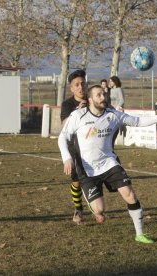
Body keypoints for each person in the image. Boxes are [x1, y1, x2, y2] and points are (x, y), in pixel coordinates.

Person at [58, 85, 157, 243]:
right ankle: (97, 211)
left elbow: (138, 121)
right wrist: (67, 158)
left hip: (109, 163)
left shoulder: (113, 115)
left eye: (104, 94)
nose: (103, 97)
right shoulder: (78, 115)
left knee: (130, 194)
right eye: (99, 95)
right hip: (87, 169)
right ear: (90, 99)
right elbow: (62, 137)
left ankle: (140, 234)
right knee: (100, 209)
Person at [60, 69, 88, 225]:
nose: (80, 87)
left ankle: (96, 205)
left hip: (92, 146)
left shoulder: (94, 99)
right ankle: (78, 209)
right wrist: (77, 112)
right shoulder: (68, 104)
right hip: (75, 147)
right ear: (72, 88)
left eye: (82, 83)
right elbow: (64, 125)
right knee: (76, 181)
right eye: (77, 85)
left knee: (95, 179)